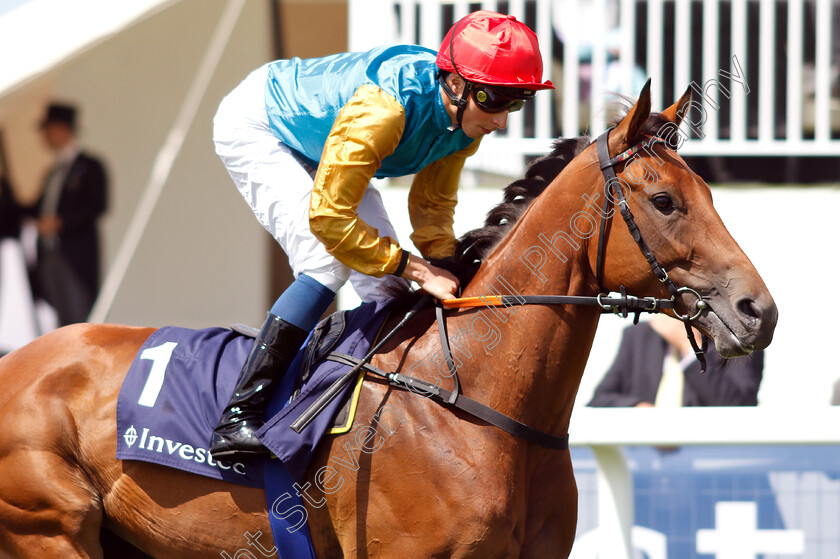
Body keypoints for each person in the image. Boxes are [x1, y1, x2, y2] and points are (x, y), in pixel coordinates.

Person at [210, 10, 554, 458]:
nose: (502, 120)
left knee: (385, 286)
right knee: (326, 260)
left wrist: (449, 267)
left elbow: (431, 207)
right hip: (262, 124)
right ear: (455, 85)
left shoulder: (468, 122)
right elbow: (330, 218)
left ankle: (376, 412)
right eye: (493, 99)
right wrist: (416, 267)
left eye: (516, 101)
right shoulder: (383, 110)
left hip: (324, 139)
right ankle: (238, 415)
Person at [27, 103, 108, 327]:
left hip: (76, 257)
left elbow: (97, 206)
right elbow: (36, 207)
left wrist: (60, 223)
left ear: (62, 128)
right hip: (50, 254)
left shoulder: (90, 166)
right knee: (60, 318)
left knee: (80, 317)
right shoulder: (53, 171)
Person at [588, 313, 764, 408]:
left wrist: (689, 348)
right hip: (646, 466)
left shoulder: (740, 340)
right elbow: (599, 401)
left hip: (711, 467)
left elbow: (739, 404)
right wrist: (637, 409)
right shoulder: (638, 336)